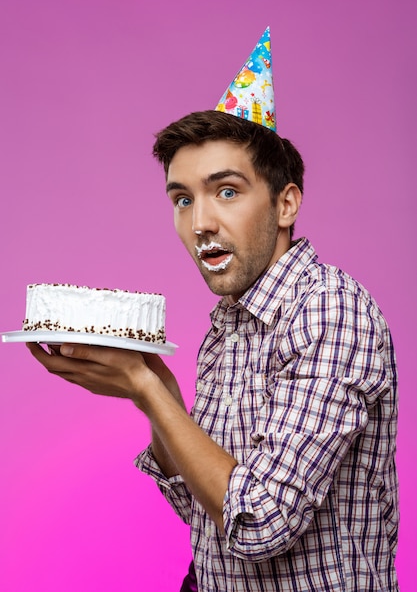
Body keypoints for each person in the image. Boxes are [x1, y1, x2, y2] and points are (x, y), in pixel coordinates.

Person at [27, 108, 399, 591]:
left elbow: (262, 522)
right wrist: (161, 387)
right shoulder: (228, 324)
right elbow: (201, 508)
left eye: (227, 191)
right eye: (182, 199)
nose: (200, 222)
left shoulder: (329, 308)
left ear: (285, 205)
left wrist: (145, 391)